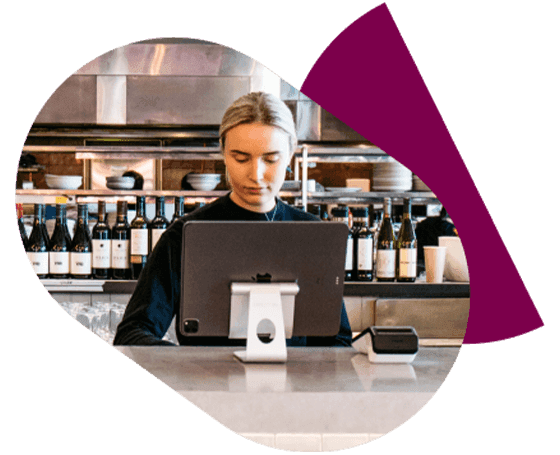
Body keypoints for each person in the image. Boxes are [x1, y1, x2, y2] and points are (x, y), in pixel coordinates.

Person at [114, 92, 352, 347]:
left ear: (290, 155)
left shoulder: (314, 237)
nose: (256, 175)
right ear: (224, 154)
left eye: (271, 159)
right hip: (206, 386)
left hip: (293, 386)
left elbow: (337, 340)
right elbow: (132, 334)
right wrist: (189, 366)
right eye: (240, 158)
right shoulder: (185, 236)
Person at [415, 206, 458, 274]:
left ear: (440, 213)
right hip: (439, 267)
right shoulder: (452, 229)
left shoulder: (424, 223)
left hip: (418, 265)